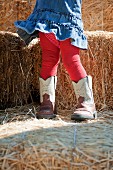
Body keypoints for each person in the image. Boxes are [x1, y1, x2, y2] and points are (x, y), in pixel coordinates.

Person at [14, 0, 97, 121]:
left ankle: (86, 101)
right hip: (45, 16)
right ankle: (47, 101)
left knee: (71, 60)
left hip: (66, 16)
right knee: (48, 59)